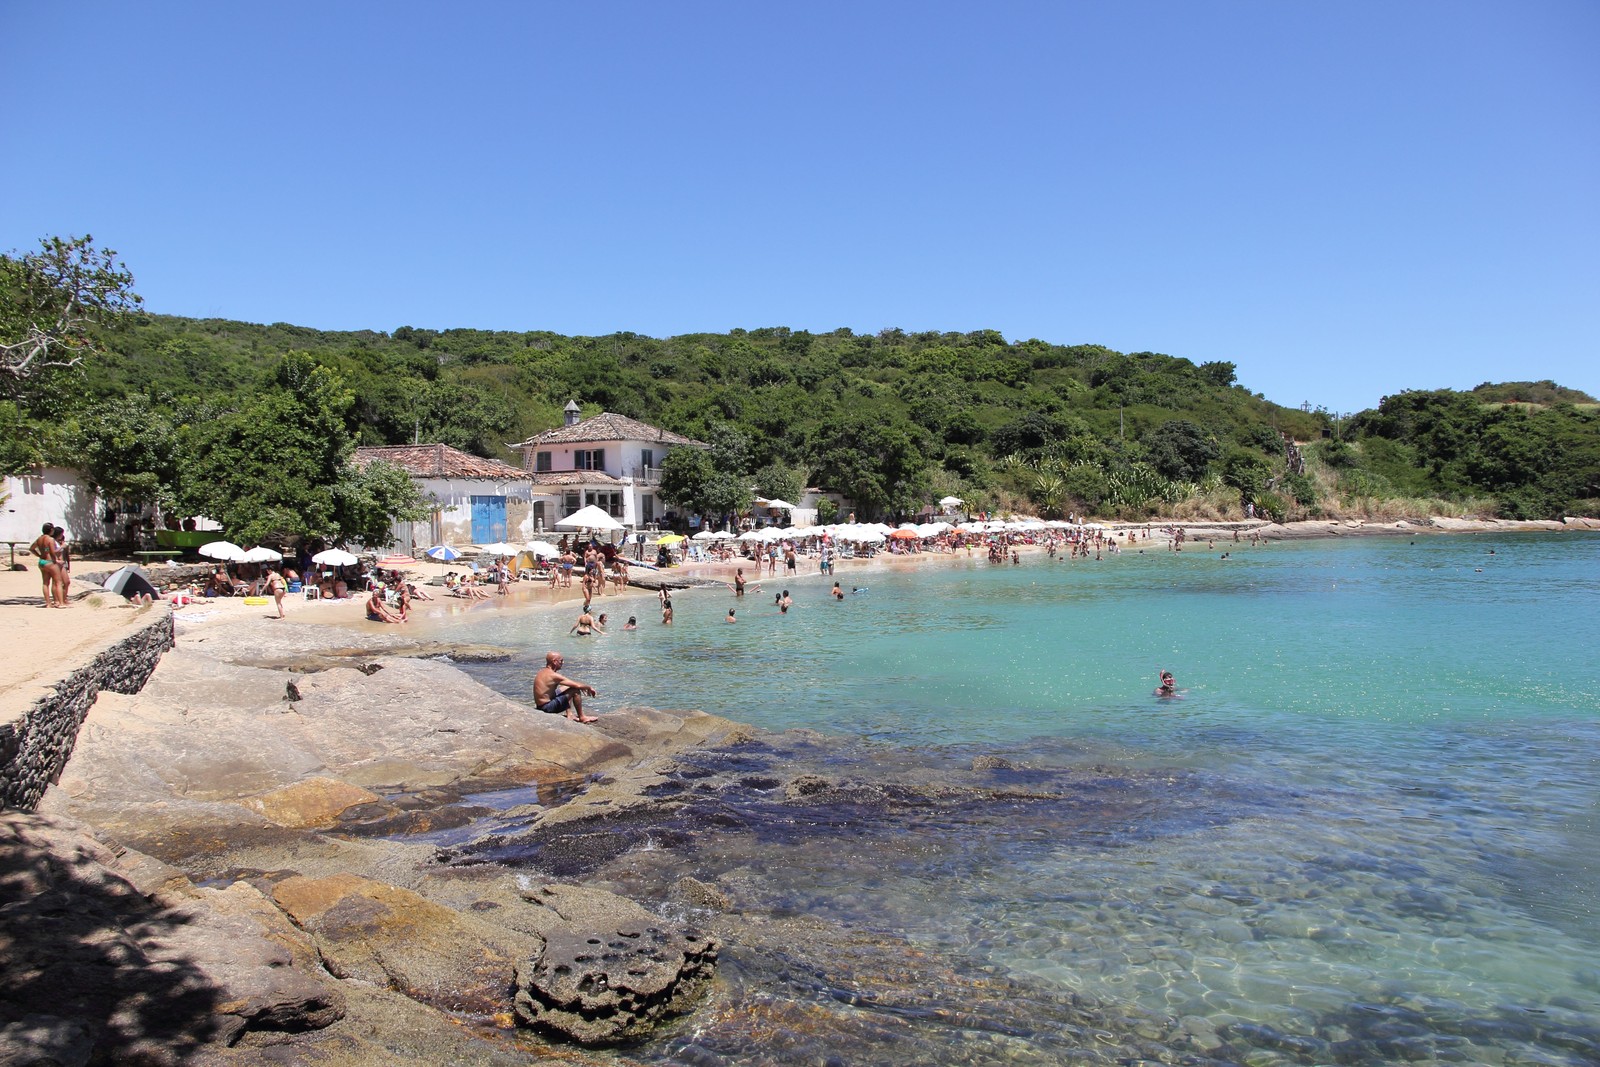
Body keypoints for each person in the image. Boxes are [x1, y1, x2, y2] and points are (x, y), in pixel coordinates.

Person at [533, 651, 598, 723]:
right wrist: (589, 687)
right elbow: (577, 685)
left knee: (566, 687)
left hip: (541, 706)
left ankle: (569, 714)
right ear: (554, 661)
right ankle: (582, 717)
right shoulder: (553, 675)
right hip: (547, 708)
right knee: (575, 690)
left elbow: (570, 684)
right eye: (561, 661)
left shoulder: (542, 671)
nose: (563, 663)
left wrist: (582, 687)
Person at [30, 523, 62, 608]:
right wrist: (56, 560)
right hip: (49, 561)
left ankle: (48, 603)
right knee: (58, 582)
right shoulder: (50, 539)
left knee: (45, 583)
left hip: (42, 562)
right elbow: (52, 552)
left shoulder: (39, 539)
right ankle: (60, 602)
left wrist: (39, 555)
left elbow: (31, 548)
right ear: (51, 530)